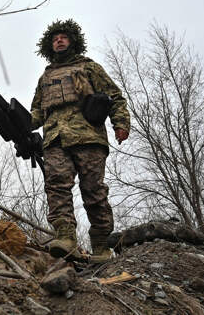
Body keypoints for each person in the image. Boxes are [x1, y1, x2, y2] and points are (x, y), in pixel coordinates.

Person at [30, 19, 130, 263]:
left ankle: (100, 246)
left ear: (72, 40)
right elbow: (36, 113)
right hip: (55, 139)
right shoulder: (46, 77)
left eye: (63, 37)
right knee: (56, 186)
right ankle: (65, 238)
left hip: (88, 137)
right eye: (55, 39)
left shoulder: (89, 68)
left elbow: (115, 97)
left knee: (93, 191)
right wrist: (17, 123)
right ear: (49, 45)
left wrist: (121, 123)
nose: (59, 40)